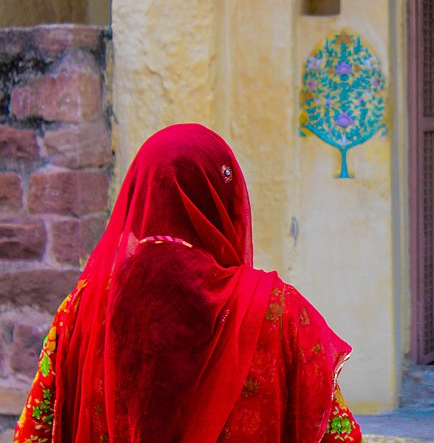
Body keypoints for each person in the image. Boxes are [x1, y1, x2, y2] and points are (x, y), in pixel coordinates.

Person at [14, 124, 362, 442]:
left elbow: (35, 432)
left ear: (139, 194)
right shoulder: (278, 311)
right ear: (222, 201)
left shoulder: (81, 310)